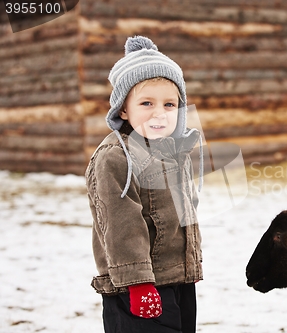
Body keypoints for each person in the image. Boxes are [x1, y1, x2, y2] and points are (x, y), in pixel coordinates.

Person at [85, 35, 203, 333]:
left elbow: (185, 210)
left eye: (169, 104)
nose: (159, 113)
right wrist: (138, 283)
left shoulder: (176, 152)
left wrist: (189, 263)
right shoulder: (116, 158)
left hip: (176, 279)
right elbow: (120, 224)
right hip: (138, 287)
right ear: (123, 109)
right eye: (146, 103)